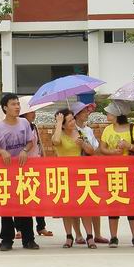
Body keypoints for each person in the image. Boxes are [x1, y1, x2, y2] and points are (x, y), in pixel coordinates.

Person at [0, 93, 39, 251]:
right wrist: (1, 152)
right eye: (13, 104)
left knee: (25, 204)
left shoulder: (24, 123)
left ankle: (29, 239)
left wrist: (25, 150)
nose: (17, 107)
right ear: (5, 108)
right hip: (5, 172)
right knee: (6, 206)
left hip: (23, 171)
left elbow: (30, 142)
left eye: (18, 104)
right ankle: (7, 240)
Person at [99, 100, 134, 248]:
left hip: (130, 172)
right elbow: (102, 149)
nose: (107, 114)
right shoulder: (107, 130)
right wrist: (113, 152)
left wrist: (128, 146)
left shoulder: (132, 128)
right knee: (113, 204)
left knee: (132, 204)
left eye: (110, 112)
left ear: (117, 114)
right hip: (112, 171)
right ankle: (113, 237)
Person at [51, 109, 97, 249]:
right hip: (64, 175)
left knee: (84, 206)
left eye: (73, 119)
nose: (72, 122)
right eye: (69, 120)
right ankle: (69, 236)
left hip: (80, 174)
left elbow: (91, 151)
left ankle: (89, 236)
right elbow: (56, 141)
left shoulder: (80, 133)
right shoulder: (59, 134)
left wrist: (83, 144)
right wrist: (59, 123)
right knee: (67, 208)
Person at [72, 102, 108, 244]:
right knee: (76, 203)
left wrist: (86, 146)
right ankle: (78, 234)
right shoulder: (71, 130)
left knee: (93, 201)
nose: (87, 113)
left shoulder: (88, 130)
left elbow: (95, 149)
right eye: (84, 111)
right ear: (76, 115)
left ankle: (97, 233)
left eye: (87, 111)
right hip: (75, 170)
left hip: (89, 168)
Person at [19, 109, 53, 239]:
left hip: (36, 164)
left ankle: (41, 226)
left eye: (34, 111)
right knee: (22, 197)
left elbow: (39, 145)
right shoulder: (19, 127)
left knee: (38, 196)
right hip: (23, 164)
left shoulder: (35, 127)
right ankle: (20, 228)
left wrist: (44, 158)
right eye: (31, 112)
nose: (34, 114)